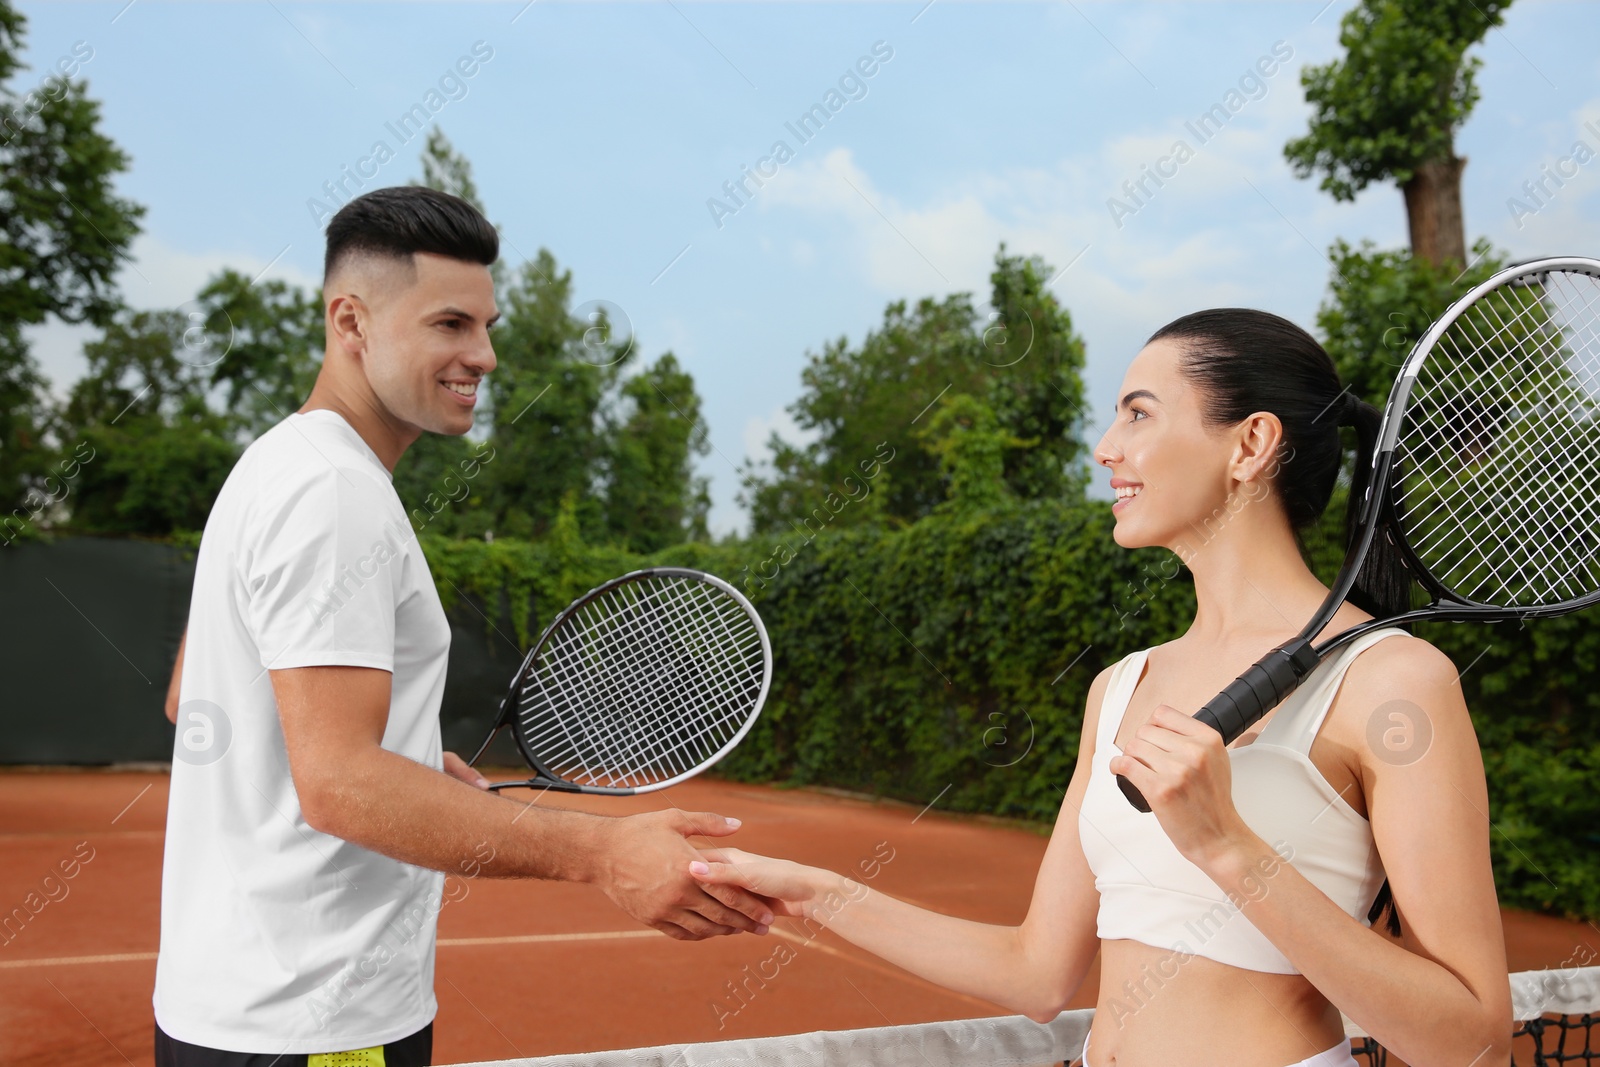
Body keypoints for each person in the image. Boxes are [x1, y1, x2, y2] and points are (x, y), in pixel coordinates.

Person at [689, 310, 1514, 1067]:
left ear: (1250, 442)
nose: (1105, 446)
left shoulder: (1394, 681)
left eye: (1139, 411)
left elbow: (1471, 1042)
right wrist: (815, 890)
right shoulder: (1121, 686)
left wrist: (1228, 846)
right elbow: (1036, 971)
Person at [153, 185, 775, 1067]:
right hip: (315, 1027)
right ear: (351, 321)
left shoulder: (272, 464)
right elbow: (337, 783)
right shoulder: (335, 494)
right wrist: (602, 852)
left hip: (231, 1010)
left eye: (486, 326)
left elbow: (198, 696)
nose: (482, 355)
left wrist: (406, 769)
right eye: (450, 324)